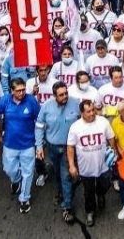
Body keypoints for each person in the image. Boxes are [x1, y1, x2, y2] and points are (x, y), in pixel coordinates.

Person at [67, 99, 118, 227]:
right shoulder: (75, 127)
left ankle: (100, 194)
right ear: (82, 113)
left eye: (93, 110)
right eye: (88, 111)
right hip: (86, 167)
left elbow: (111, 138)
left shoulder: (103, 122)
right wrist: (72, 165)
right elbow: (70, 147)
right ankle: (90, 211)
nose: (92, 113)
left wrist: (113, 152)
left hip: (103, 164)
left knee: (105, 184)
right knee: (88, 191)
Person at [36, 81, 80, 224]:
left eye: (66, 93)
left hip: (69, 148)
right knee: (57, 174)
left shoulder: (75, 103)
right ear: (54, 96)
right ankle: (61, 192)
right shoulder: (46, 106)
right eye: (61, 95)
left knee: (66, 176)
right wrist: (39, 146)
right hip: (52, 147)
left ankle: (67, 207)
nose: (65, 96)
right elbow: (39, 126)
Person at [0, 77, 40, 214]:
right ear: (11, 90)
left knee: (28, 173)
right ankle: (16, 180)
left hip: (28, 144)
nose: (21, 93)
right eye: (18, 91)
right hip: (9, 143)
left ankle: (24, 198)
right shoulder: (5, 101)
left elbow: (39, 121)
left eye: (23, 90)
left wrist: (39, 143)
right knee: (9, 170)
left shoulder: (31, 101)